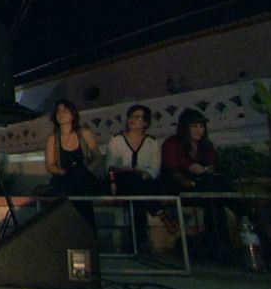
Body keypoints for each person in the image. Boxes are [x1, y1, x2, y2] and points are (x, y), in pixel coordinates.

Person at [105, 105, 178, 249]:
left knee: (138, 192)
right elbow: (109, 166)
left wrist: (144, 173)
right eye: (131, 116)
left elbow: (155, 169)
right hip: (122, 181)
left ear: (145, 122)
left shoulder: (151, 142)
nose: (133, 120)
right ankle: (160, 213)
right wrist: (124, 169)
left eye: (138, 117)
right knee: (133, 181)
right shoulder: (116, 139)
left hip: (143, 183)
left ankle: (138, 243)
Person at [161, 108, 232, 252]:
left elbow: (212, 166)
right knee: (214, 194)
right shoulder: (172, 143)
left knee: (215, 198)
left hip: (204, 184)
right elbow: (171, 169)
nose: (199, 130)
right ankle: (219, 242)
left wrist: (204, 170)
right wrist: (188, 169)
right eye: (194, 126)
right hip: (180, 185)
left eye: (201, 126)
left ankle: (218, 242)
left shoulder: (206, 146)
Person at [45, 100, 106, 228]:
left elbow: (97, 157)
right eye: (58, 111)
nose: (61, 114)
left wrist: (87, 170)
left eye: (65, 111)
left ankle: (88, 232)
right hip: (64, 178)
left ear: (73, 115)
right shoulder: (52, 139)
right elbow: (50, 165)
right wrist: (67, 173)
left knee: (82, 188)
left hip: (84, 176)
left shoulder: (85, 134)